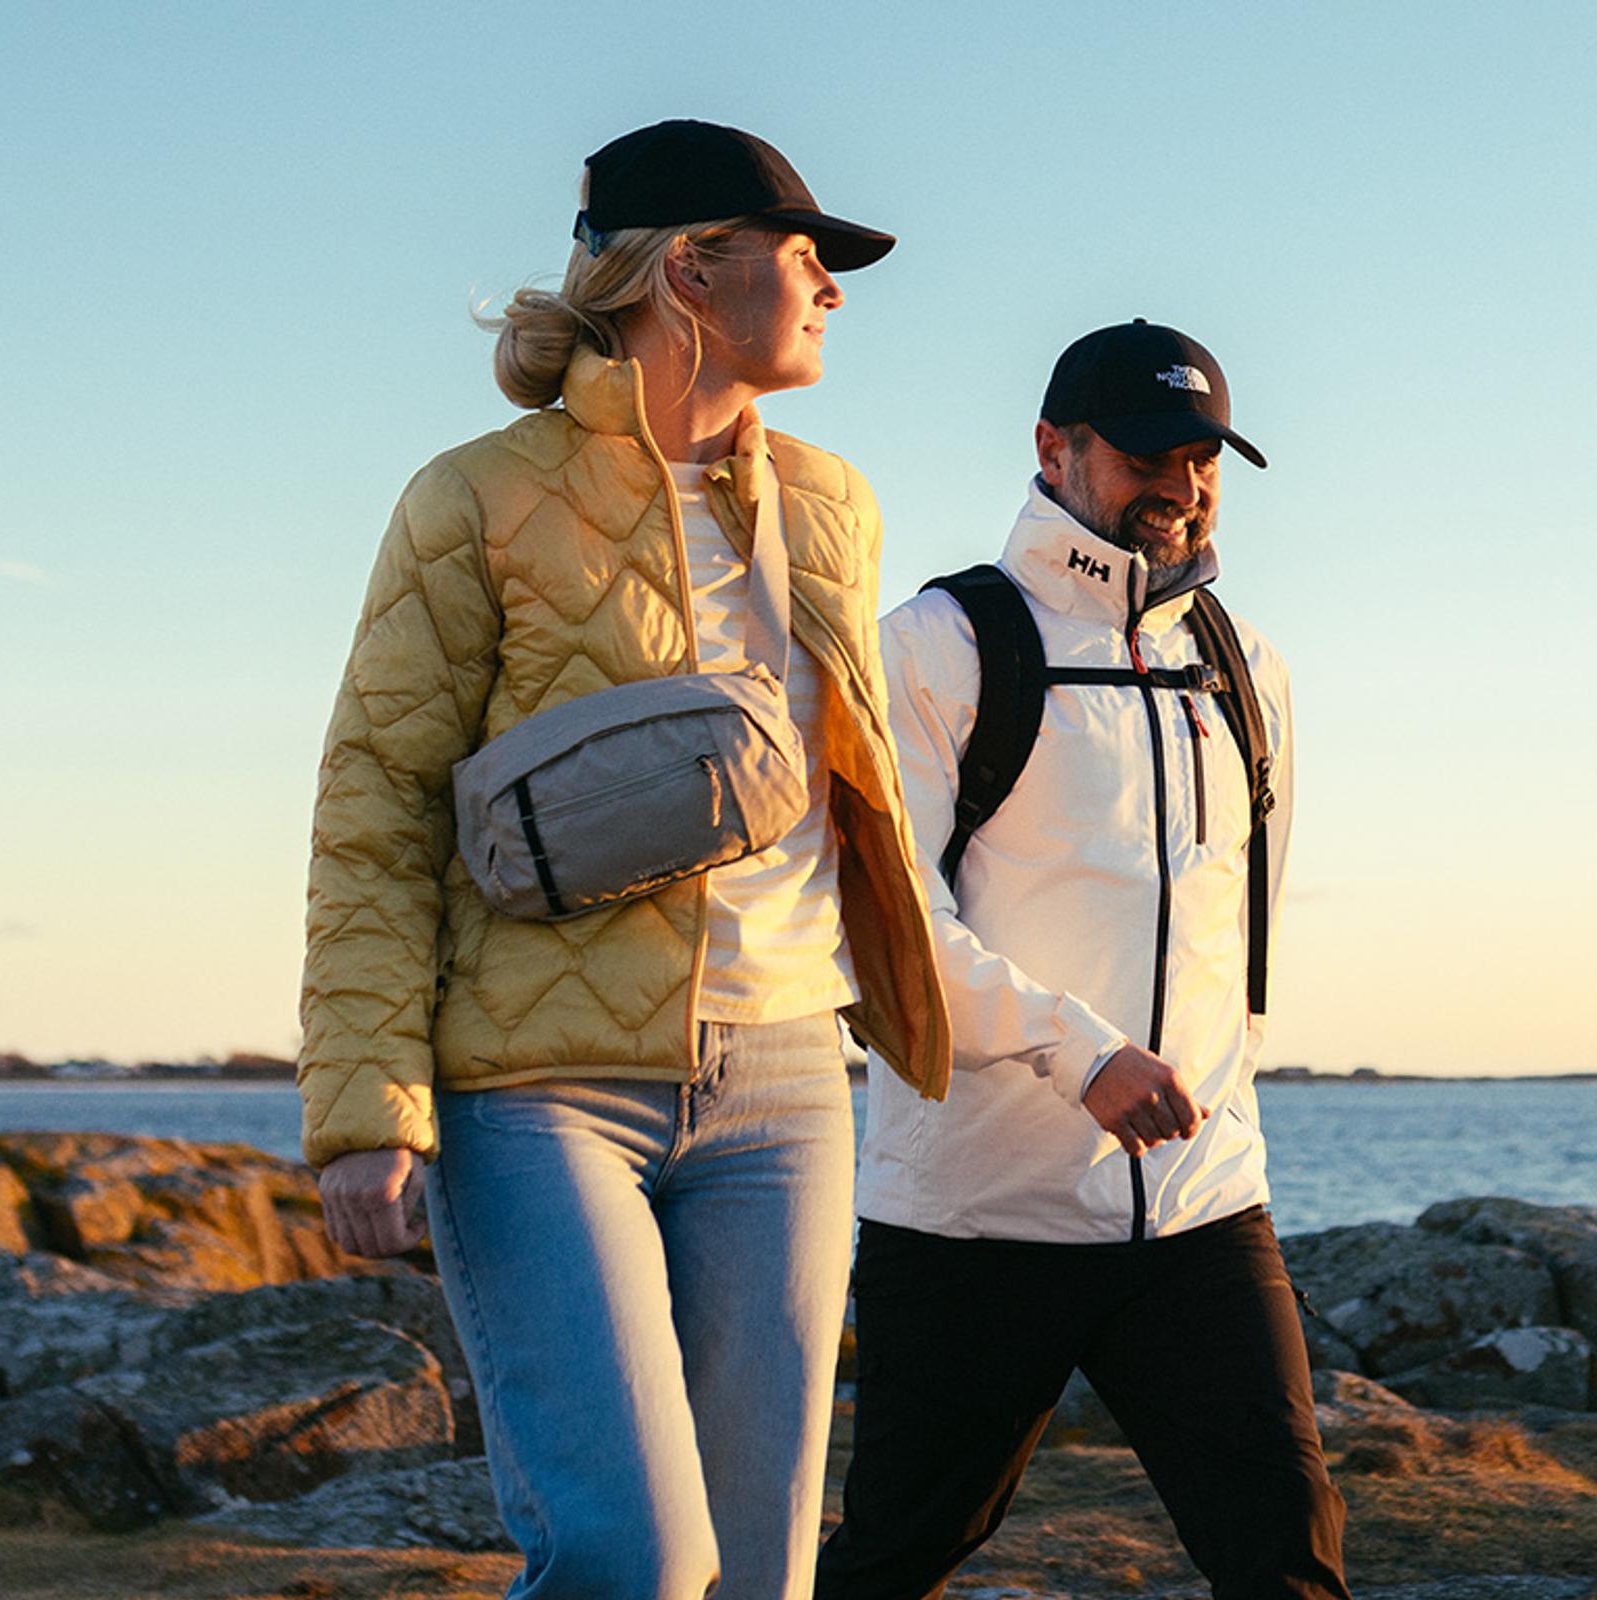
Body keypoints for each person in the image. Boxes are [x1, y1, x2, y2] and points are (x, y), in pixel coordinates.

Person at [298, 119, 950, 1600]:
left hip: (787, 1083)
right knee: (626, 1560)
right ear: (693, 273)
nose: (833, 291)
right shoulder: (474, 497)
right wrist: (364, 1109)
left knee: (757, 1576)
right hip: (537, 1091)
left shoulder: (832, 503)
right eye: (807, 258)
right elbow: (376, 804)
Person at [816, 320, 1352, 1600]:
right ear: (1052, 449)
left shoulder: (1243, 663)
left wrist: (1224, 1091)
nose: (1181, 482)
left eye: (1204, 454)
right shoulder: (937, 646)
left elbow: (1246, 925)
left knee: (1287, 1557)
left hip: (1201, 1208)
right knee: (897, 1556)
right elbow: (880, 926)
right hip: (973, 1213)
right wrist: (1084, 1051)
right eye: (1146, 451)